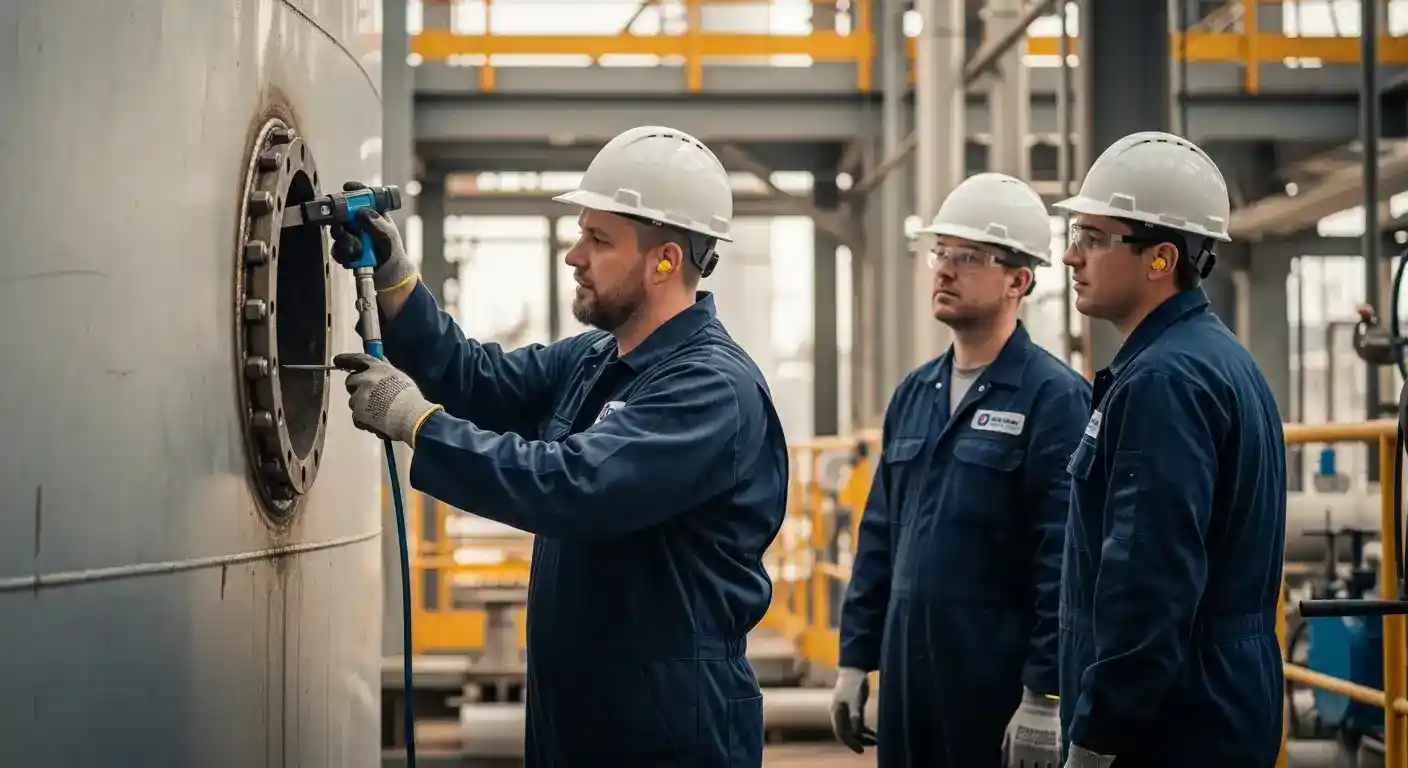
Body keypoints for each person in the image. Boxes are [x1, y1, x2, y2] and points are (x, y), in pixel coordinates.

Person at [327, 126, 790, 766]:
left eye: (599, 239)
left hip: (669, 727)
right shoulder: (597, 358)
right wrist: (397, 284)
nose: (574, 255)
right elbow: (478, 379)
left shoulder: (710, 388)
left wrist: (416, 423)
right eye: (581, 233)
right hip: (580, 712)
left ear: (665, 261)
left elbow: (574, 487)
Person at [832, 173, 1093, 767]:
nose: (944, 270)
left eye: (968, 256)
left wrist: (1044, 694)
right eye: (941, 252)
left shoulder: (1054, 399)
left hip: (994, 686)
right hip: (908, 679)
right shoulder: (914, 393)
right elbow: (879, 537)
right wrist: (854, 661)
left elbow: (1063, 559)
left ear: (1018, 280)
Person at [1053, 131, 1287, 767]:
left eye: (1093, 238)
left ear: (1160, 259)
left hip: (1171, 721)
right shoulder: (1211, 359)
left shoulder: (1165, 381)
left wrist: (1098, 734)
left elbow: (1148, 581)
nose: (1071, 256)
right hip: (1214, 699)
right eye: (1075, 234)